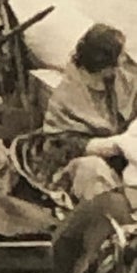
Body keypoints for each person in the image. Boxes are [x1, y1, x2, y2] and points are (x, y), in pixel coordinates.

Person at [44, 25, 137, 202]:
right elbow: (59, 146)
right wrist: (112, 144)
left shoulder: (123, 80)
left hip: (126, 164)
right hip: (85, 168)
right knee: (92, 169)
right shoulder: (67, 97)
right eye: (120, 56)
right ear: (104, 67)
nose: (124, 60)